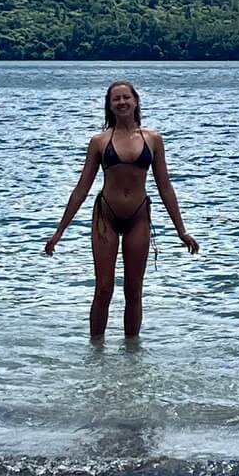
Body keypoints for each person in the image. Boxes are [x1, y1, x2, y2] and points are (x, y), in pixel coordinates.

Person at [44, 80, 199, 338]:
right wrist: (59, 232)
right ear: (110, 106)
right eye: (116, 99)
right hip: (106, 215)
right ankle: (95, 352)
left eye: (126, 97)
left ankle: (132, 357)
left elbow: (165, 187)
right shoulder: (99, 141)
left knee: (133, 290)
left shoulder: (153, 140)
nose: (122, 102)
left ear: (136, 101)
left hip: (138, 216)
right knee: (104, 288)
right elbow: (81, 188)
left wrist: (181, 230)